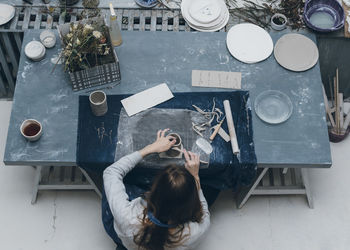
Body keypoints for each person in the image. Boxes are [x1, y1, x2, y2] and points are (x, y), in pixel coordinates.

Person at [103, 129, 210, 250]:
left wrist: (150, 148)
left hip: (129, 239)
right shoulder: (195, 232)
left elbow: (111, 172)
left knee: (118, 188)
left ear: (153, 190)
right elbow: (205, 212)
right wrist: (195, 176)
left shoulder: (126, 216)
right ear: (191, 200)